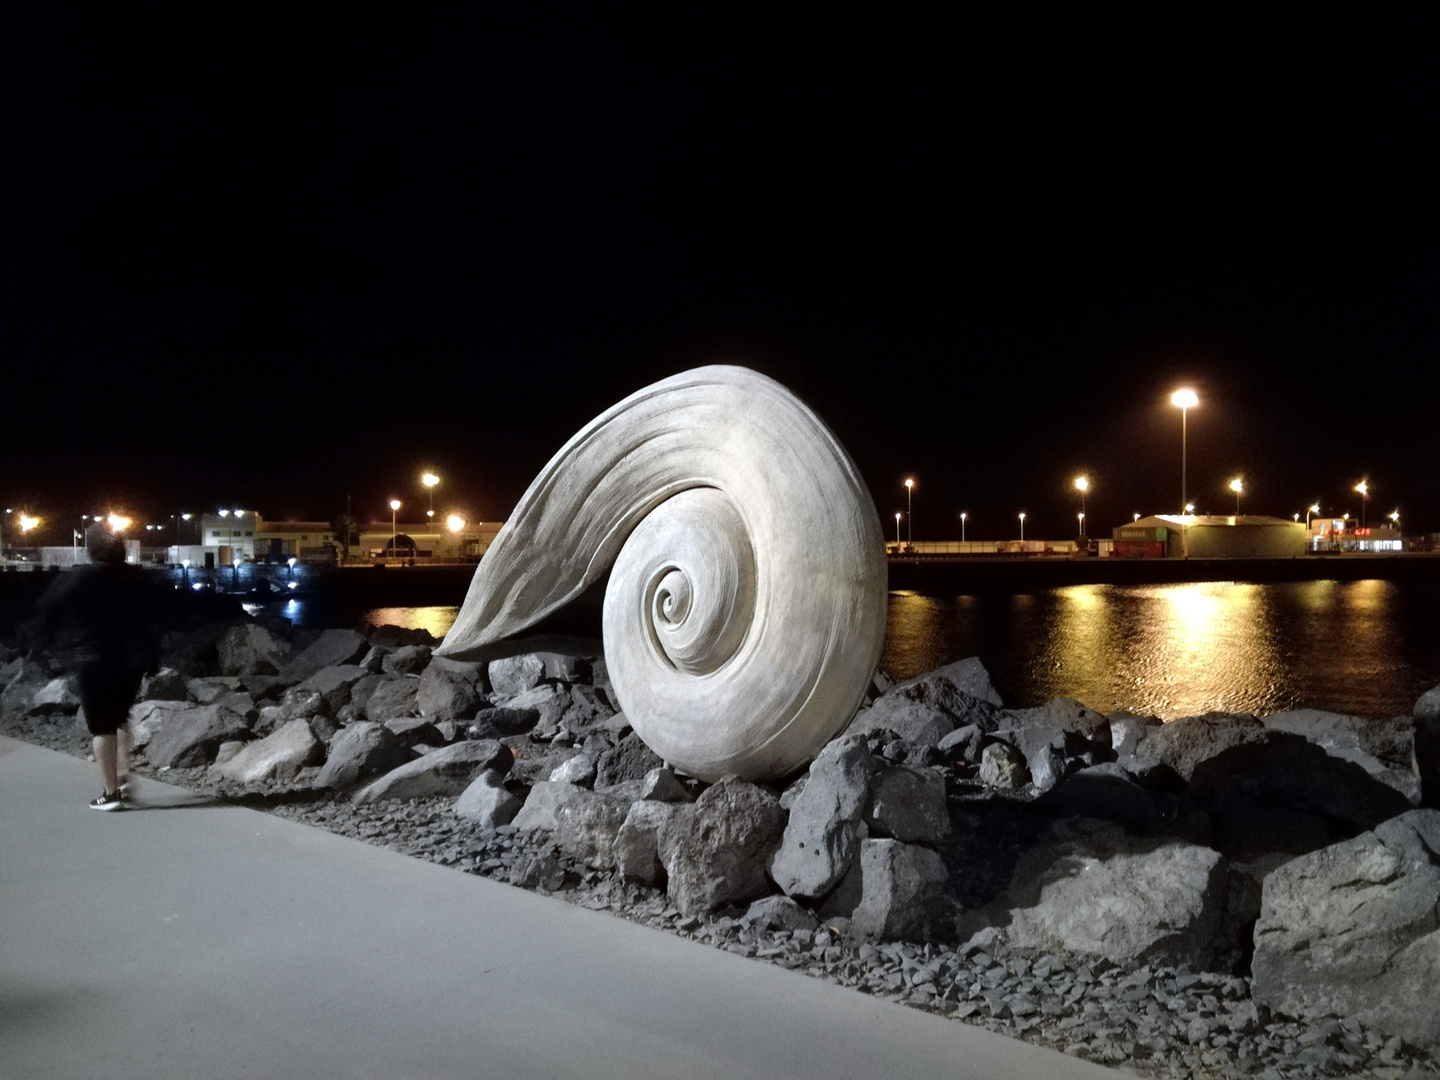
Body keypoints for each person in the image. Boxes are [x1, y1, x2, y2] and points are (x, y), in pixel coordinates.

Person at [31, 524, 166, 810]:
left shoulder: (79, 577)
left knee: (101, 727)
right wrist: (153, 657)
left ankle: (110, 794)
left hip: (94, 659)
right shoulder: (137, 577)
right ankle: (123, 776)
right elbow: (153, 619)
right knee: (120, 718)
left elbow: (48, 609)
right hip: (131, 660)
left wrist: (44, 645)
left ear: (92, 548)